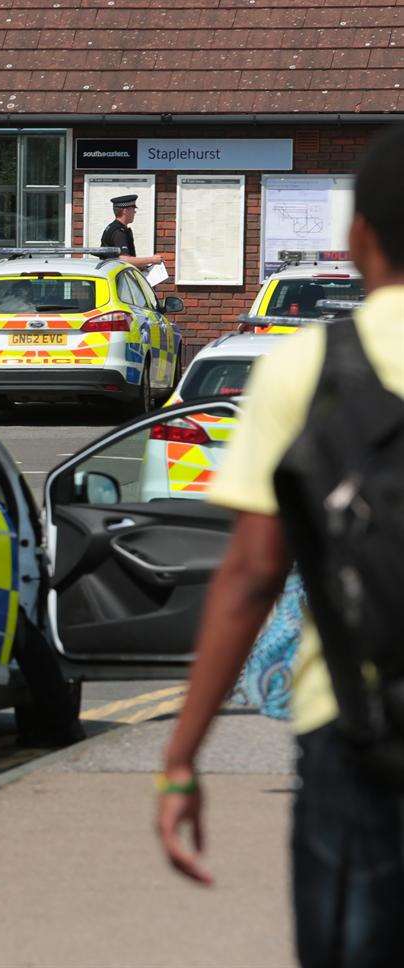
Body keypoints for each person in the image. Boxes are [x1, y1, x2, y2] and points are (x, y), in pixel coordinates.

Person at [156, 125, 404, 967]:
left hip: (353, 728)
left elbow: (252, 575)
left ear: (357, 237)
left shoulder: (308, 370)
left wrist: (182, 757)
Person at [100, 194, 165, 270]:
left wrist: (140, 266)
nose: (135, 212)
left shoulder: (116, 227)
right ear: (125, 211)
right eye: (133, 209)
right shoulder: (118, 231)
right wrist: (152, 260)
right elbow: (124, 260)